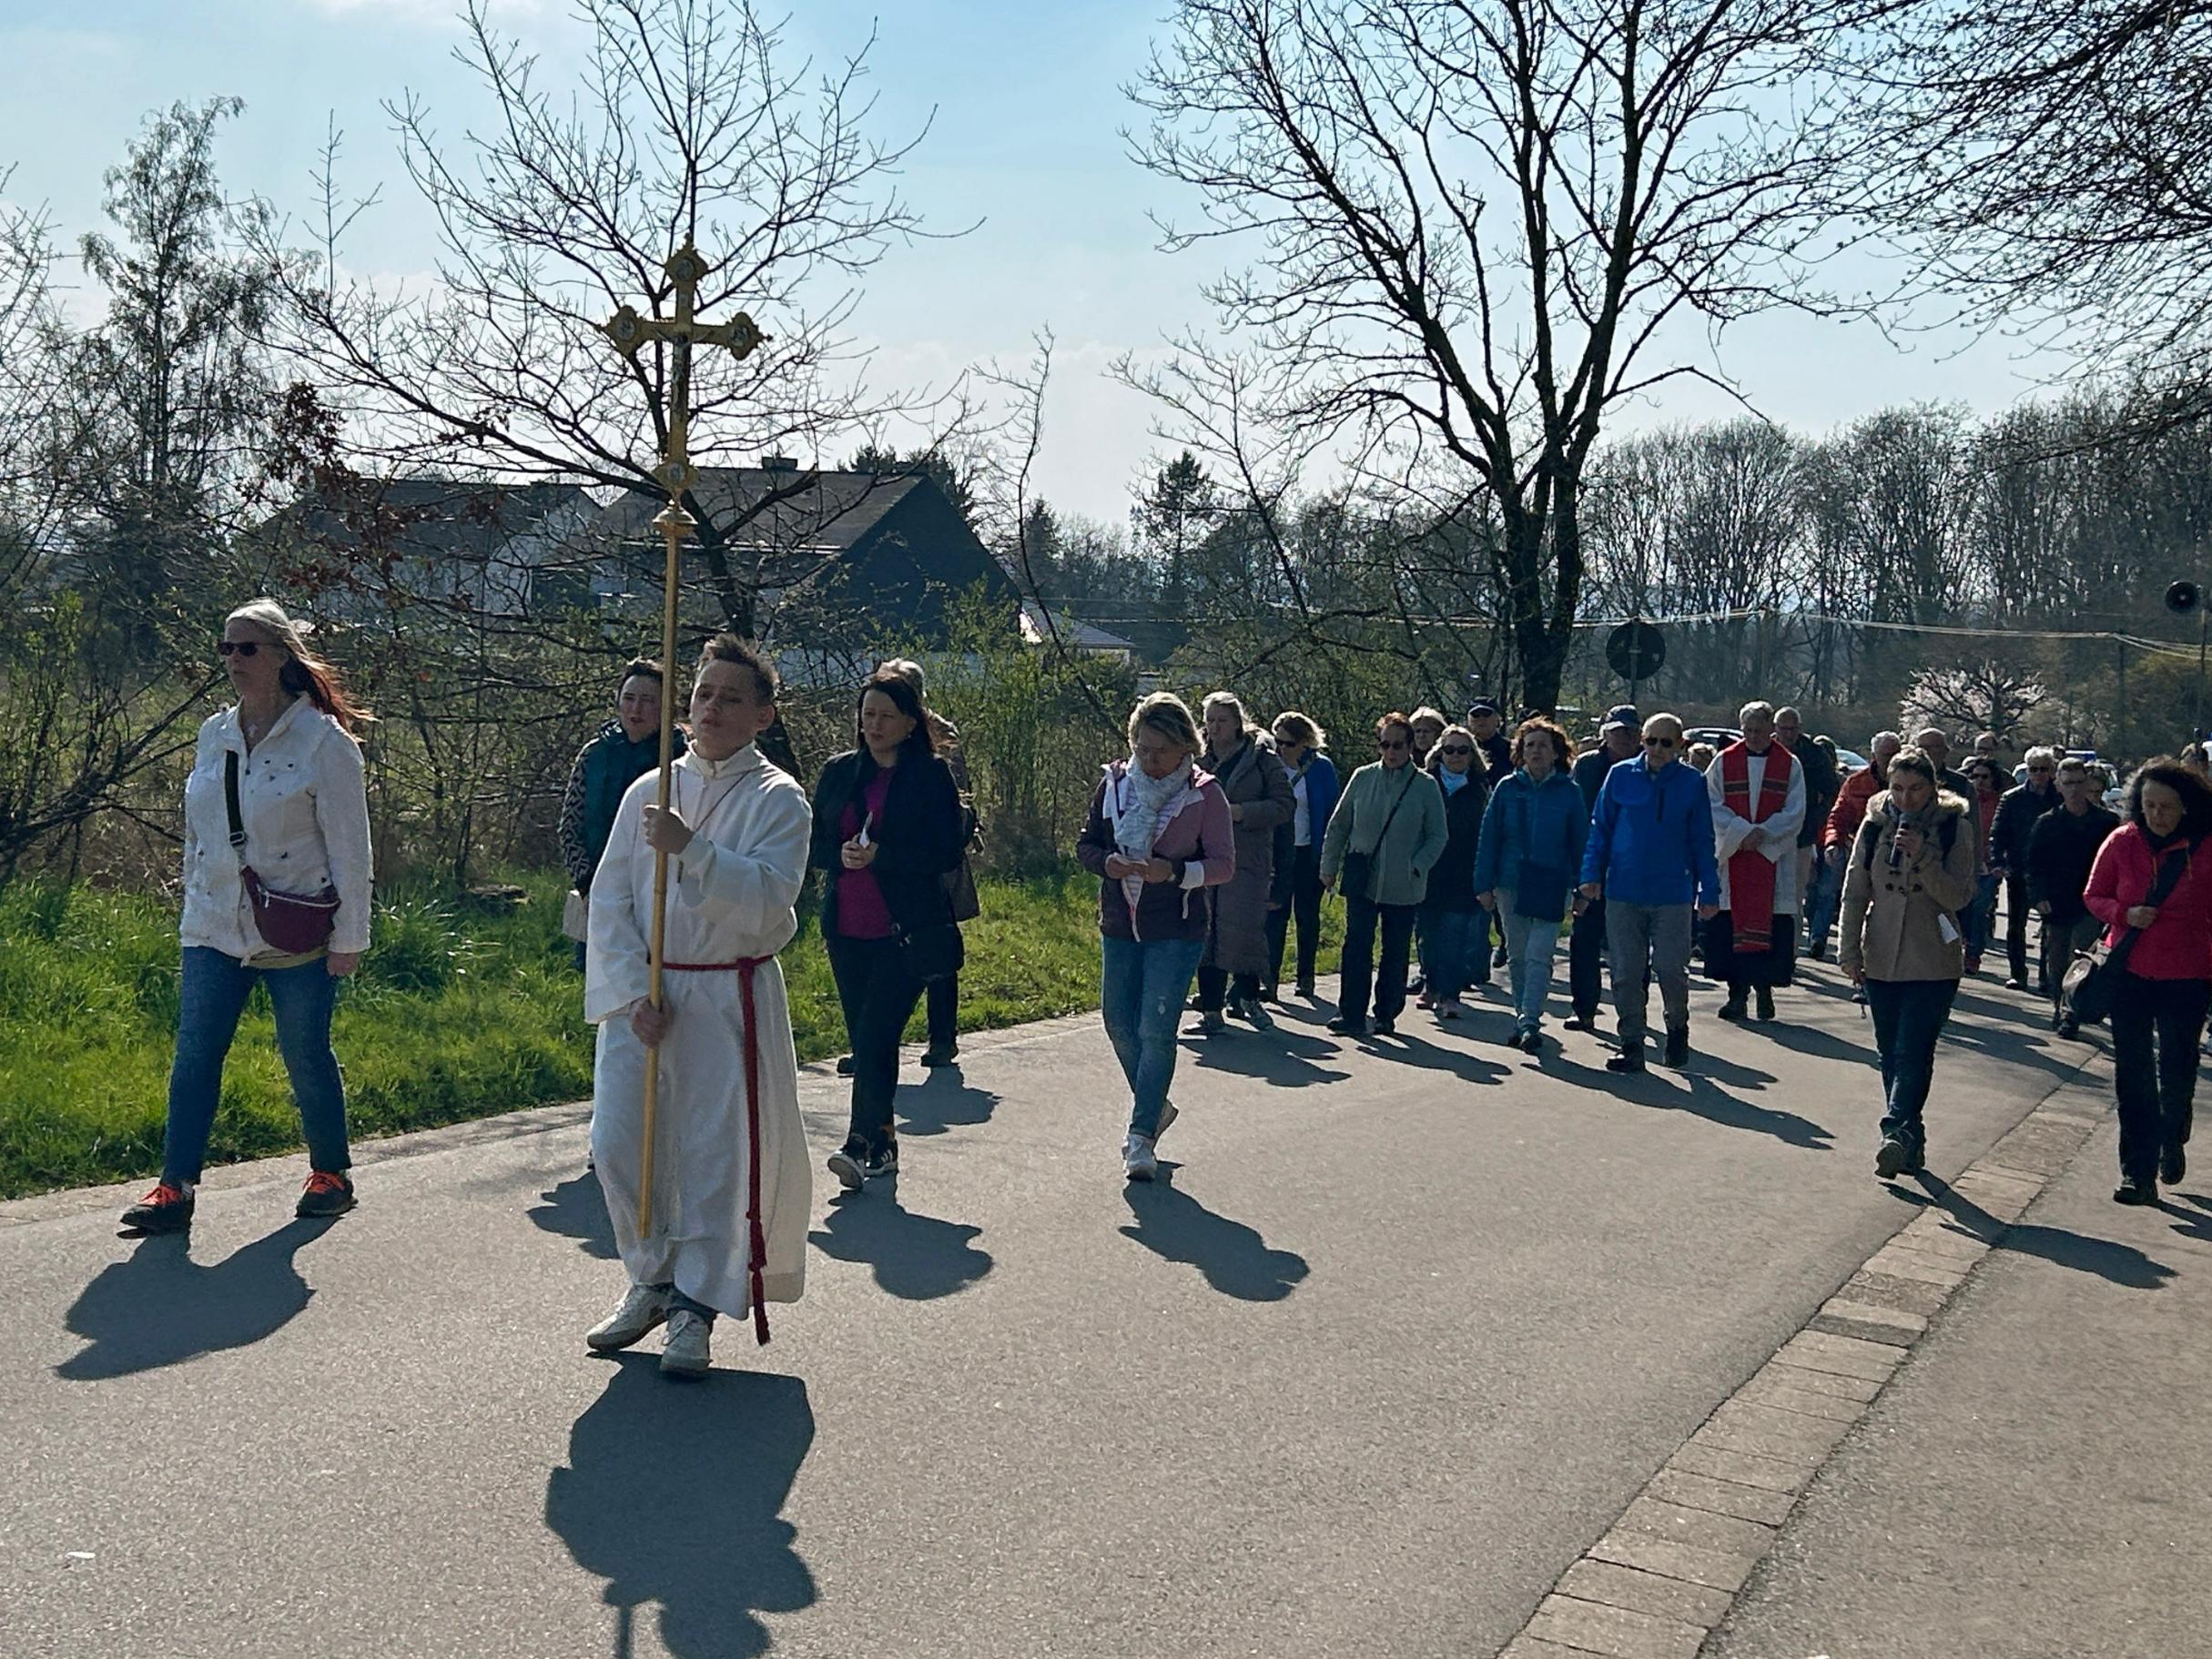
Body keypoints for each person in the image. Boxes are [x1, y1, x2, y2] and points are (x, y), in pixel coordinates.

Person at [577, 634, 812, 1378]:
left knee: (711, 1153)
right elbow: (611, 899)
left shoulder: (779, 799)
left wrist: (693, 851)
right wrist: (627, 991)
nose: (712, 707)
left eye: (731, 697)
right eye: (704, 694)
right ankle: (648, 1276)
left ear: (762, 715)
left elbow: (770, 902)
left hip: (723, 992)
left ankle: (696, 1308)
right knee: (623, 1141)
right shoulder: (647, 790)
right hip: (648, 994)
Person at [122, 600, 375, 1236]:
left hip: (294, 926)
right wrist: (191, 898)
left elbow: (351, 848)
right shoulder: (215, 733)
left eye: (247, 649)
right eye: (225, 649)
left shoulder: (325, 743)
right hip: (213, 926)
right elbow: (196, 829)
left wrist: (350, 937)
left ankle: (331, 1173)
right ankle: (174, 1188)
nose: (233, 660)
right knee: (195, 1056)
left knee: (304, 1052)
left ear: (283, 656)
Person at [809, 669, 967, 1192]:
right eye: (867, 714)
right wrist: (843, 855)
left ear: (909, 724)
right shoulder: (838, 773)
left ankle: (859, 1144)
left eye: (885, 716)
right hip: (847, 924)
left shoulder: (930, 776)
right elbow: (812, 842)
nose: (873, 725)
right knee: (867, 1038)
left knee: (877, 1033)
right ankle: (883, 1143)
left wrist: (884, 857)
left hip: (906, 928)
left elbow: (946, 851)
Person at [1075, 693, 1234, 1182]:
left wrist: (1177, 872)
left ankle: (1141, 1136)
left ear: (1186, 747)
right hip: (1120, 923)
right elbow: (1086, 845)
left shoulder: (1205, 795)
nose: (1151, 760)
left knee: (1155, 1029)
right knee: (1117, 1022)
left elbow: (1224, 866)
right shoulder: (1115, 786)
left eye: (1161, 751)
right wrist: (1108, 863)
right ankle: (1156, 1103)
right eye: (1143, 749)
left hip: (1176, 929)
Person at [1836, 746, 1978, 1181]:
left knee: (1913, 1049)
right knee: (1890, 1053)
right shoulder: (1875, 823)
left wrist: (1924, 856)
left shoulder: (1956, 824)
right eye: (1897, 788)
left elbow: (1959, 895)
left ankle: (1894, 1129)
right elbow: (1856, 890)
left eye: (1916, 789)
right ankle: (1909, 1137)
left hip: (1932, 954)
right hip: (1881, 952)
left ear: (1933, 787)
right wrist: (1848, 951)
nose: (1906, 798)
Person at [2083, 759, 2212, 1204]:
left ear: (2187, 808)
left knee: (2177, 1066)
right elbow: (2093, 895)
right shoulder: (2122, 842)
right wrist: (2123, 913)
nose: (2157, 815)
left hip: (2189, 972)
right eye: (2149, 805)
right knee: (2133, 1073)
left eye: (2167, 807)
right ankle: (2138, 1171)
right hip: (2129, 970)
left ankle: (2172, 1134)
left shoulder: (2206, 847)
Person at [1579, 713, 1720, 1074]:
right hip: (1623, 890)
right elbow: (1601, 828)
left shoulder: (1691, 783)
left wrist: (1709, 890)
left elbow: (1703, 839)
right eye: (1650, 741)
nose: (1657, 749)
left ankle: (1677, 1027)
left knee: (1671, 968)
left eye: (1666, 742)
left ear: (1680, 746)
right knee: (1625, 970)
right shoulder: (1620, 775)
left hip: (1672, 892)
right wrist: (1590, 874)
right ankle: (1631, 1043)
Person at [1320, 711, 1448, 1037]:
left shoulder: (1425, 785)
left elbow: (1438, 835)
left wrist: (1417, 865)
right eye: (1385, 745)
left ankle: (1386, 1013)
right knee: (1357, 946)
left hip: (1404, 885)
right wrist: (1329, 867)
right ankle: (1350, 1013)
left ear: (1410, 747)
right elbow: (1339, 825)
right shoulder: (1362, 777)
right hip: (1363, 879)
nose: (1391, 752)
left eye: (1398, 745)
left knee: (1395, 950)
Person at [881, 659, 978, 1068]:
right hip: (887, 857)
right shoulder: (877, 731)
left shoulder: (941, 736)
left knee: (936, 943)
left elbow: (958, 796)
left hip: (935, 857)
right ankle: (878, 1040)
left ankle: (943, 1037)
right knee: (884, 948)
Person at [559, 659, 685, 970]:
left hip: (664, 898)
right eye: (629, 699)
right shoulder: (594, 754)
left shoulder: (683, 758)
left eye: (647, 701)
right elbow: (569, 828)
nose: (636, 710)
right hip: (602, 893)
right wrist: (589, 885)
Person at [1474, 716, 1588, 1051]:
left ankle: (1530, 1021)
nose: (1535, 751)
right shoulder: (1507, 788)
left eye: (1543, 745)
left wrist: (1584, 887)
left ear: (1557, 753)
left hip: (1552, 882)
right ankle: (1523, 1014)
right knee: (1519, 955)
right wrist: (1483, 883)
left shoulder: (1569, 792)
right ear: (1520, 751)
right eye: (1529, 745)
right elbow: (1489, 837)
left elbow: (1580, 842)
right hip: (1511, 882)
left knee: (1540, 955)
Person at [1192, 693, 1294, 1033]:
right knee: (1205, 931)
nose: (1215, 727)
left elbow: (1284, 805)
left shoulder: (1262, 759)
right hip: (1205, 858)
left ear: (1238, 722)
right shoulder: (1198, 761)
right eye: (1210, 720)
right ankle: (1210, 1010)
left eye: (1222, 720)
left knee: (1244, 931)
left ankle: (1249, 997)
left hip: (1248, 859)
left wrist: (1241, 813)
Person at [1705, 702, 1807, 1022]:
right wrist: (1740, 833)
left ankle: (1765, 992)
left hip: (1771, 857)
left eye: (1759, 731)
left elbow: (1795, 811)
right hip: (1735, 855)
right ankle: (1736, 996)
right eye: (1747, 731)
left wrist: (1763, 834)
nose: (1753, 737)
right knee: (1733, 927)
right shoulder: (1724, 762)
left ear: (1771, 730)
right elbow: (1711, 802)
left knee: (1770, 929)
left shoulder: (1789, 765)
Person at [2025, 757, 2121, 1037]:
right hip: (2056, 903)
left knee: (2080, 957)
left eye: (2080, 782)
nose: (2075, 789)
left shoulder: (2106, 823)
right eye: (2068, 783)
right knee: (2056, 961)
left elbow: (2118, 865)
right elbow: (2033, 864)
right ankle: (2060, 1005)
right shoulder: (2046, 823)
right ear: (2059, 785)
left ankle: (2071, 1013)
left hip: (2091, 903)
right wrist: (2038, 896)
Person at [1568, 706, 1641, 1029]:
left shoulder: (1648, 765)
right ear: (1604, 734)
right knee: (1584, 940)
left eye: (1629, 731)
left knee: (1634, 947)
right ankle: (1584, 1009)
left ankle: (1635, 1012)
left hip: (1633, 870)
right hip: (1592, 865)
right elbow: (1577, 817)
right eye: (1617, 731)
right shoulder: (1587, 766)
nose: (1623, 738)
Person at [1419, 723, 1491, 1017]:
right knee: (1427, 933)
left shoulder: (1480, 788)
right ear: (1440, 753)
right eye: (1449, 750)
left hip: (1464, 871)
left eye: (1463, 750)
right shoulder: (1425, 783)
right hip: (1429, 870)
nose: (1456, 756)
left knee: (1455, 934)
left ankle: (1449, 994)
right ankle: (1430, 983)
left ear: (1472, 755)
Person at [1265, 713, 1340, 999]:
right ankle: (1268, 979)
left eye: (1289, 743)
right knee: (1274, 916)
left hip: (1310, 852)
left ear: (1305, 743)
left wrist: (1330, 857)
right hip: (1278, 853)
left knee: (1307, 916)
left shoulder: (1321, 768)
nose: (1282, 748)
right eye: (1278, 742)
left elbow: (1333, 813)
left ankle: (1305, 977)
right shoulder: (1270, 766)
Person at [1988, 746, 2062, 992]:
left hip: (2052, 871)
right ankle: (2018, 974)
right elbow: (1998, 833)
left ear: (2052, 771)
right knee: (2015, 925)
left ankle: (2045, 977)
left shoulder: (2061, 798)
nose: (2039, 774)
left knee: (2050, 926)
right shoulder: (2012, 798)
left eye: (2044, 769)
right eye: (2033, 769)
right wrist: (1998, 861)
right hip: (2019, 869)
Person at [1775, 708, 1838, 959]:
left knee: (1793, 896)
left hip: (1801, 837)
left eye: (1792, 728)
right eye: (1783, 728)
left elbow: (1832, 791)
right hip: (1764, 834)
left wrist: (1814, 821)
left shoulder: (1814, 755)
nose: (1788, 734)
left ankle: (1788, 953)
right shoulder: (1764, 751)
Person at [1958, 755, 2007, 975]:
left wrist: (1999, 863)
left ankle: (1973, 954)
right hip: (1961, 865)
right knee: (1960, 909)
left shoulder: (2000, 802)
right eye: (1975, 776)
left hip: (1988, 867)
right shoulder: (1961, 802)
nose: (1980, 781)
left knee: (1979, 910)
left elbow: (2005, 835)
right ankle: (1956, 948)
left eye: (1984, 776)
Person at [1467, 700, 1512, 782]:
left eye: (1486, 714)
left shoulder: (1511, 749)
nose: (1481, 719)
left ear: (1497, 719)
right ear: (1469, 722)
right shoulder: (1463, 749)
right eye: (1476, 715)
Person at [1409, 705, 1448, 769]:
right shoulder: (1404, 760)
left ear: (1438, 733)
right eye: (1418, 731)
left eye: (1427, 731)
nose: (1421, 736)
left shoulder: (1449, 757)